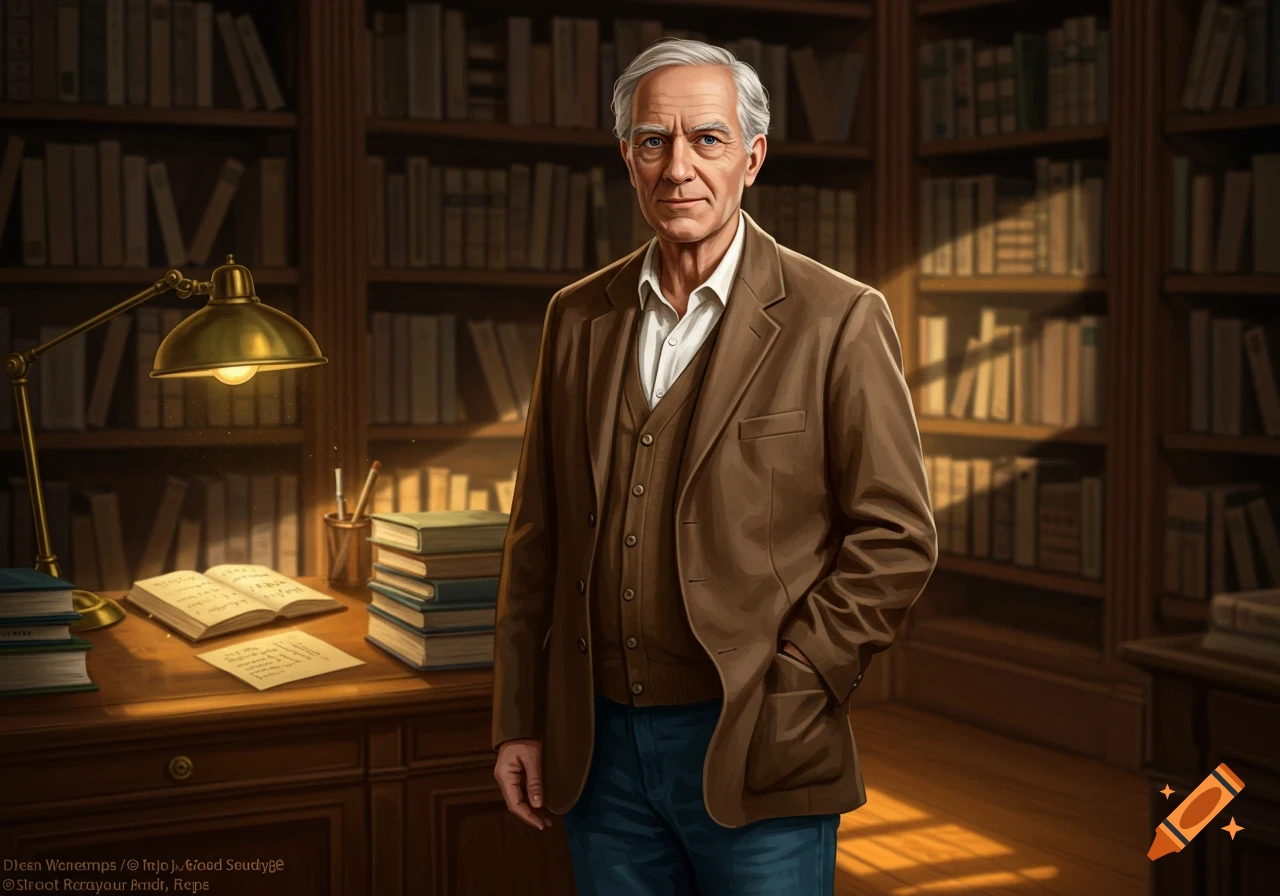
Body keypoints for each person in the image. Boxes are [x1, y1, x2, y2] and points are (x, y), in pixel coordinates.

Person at [491, 37, 938, 896]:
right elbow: (535, 541)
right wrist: (519, 720)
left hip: (759, 734)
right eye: (654, 141)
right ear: (627, 158)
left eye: (708, 138)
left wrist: (802, 680)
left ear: (753, 157)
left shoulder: (838, 317)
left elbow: (897, 537)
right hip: (597, 748)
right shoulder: (576, 317)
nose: (678, 167)